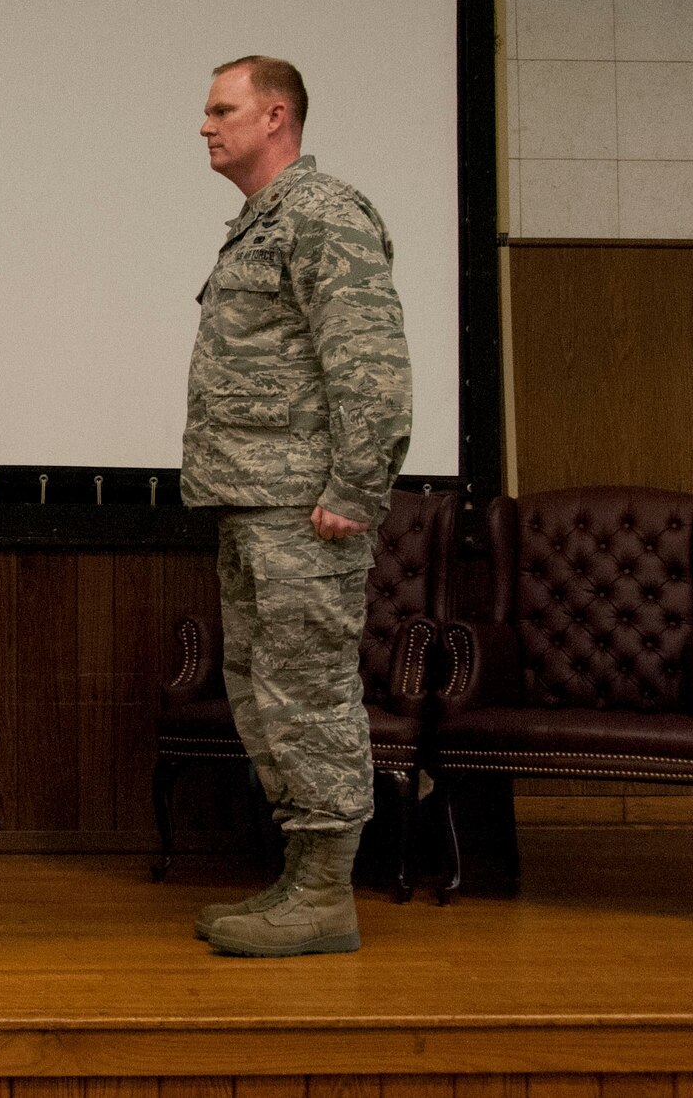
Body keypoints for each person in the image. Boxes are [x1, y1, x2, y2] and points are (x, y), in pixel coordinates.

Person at [182, 55, 412, 958]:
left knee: (307, 693)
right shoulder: (257, 225)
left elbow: (374, 369)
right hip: (254, 503)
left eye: (220, 109)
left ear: (275, 116)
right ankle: (301, 877)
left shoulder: (323, 215)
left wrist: (355, 490)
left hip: (302, 511)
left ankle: (324, 892)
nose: (205, 126)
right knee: (264, 692)